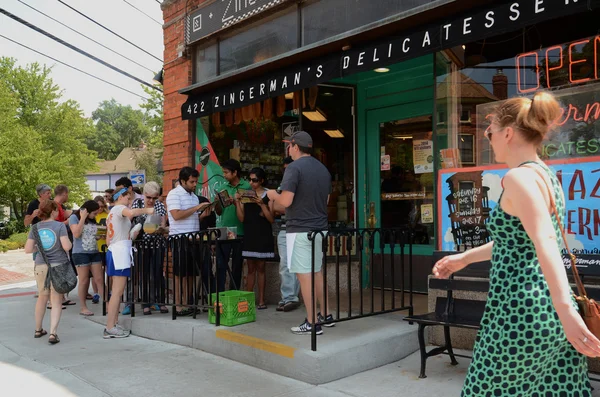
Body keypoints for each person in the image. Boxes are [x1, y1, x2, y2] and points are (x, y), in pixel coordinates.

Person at [433, 92, 600, 396]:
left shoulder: (518, 179)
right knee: (554, 389)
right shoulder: (546, 176)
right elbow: (517, 241)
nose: (489, 138)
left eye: (490, 131)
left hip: (518, 310)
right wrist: (464, 259)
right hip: (544, 309)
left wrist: (568, 312)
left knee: (486, 390)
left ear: (507, 133)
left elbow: (544, 239)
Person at [267, 131, 333, 335]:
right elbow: (327, 200)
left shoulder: (294, 168)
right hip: (320, 228)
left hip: (300, 230)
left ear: (295, 147)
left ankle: (312, 323)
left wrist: (271, 194)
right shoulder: (323, 169)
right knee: (317, 273)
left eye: (289, 145)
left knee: (305, 277)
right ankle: (326, 315)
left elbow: (285, 201)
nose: (288, 149)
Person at [104, 188, 154, 338]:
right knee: (117, 293)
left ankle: (113, 323)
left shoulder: (111, 213)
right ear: (121, 197)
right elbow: (131, 213)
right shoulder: (120, 208)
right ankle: (110, 327)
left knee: (117, 292)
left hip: (115, 250)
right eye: (128, 198)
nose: (129, 201)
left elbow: (108, 240)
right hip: (119, 253)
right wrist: (147, 210)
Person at [24, 200, 72, 344]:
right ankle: (53, 333)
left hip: (40, 265)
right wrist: (68, 242)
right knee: (56, 301)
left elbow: (28, 249)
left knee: (42, 298)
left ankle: (38, 329)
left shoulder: (36, 227)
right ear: (52, 212)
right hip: (58, 266)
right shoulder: (59, 226)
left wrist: (39, 248)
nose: (59, 212)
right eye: (57, 209)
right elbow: (66, 246)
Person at [166, 167, 212, 316]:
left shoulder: (193, 196)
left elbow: (191, 216)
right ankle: (178, 305)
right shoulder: (174, 194)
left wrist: (203, 214)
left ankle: (189, 303)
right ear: (183, 181)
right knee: (180, 274)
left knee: (191, 273)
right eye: (192, 182)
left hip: (194, 238)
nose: (194, 184)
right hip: (179, 239)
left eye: (196, 181)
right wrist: (197, 207)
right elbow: (177, 215)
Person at [235, 167, 275, 310]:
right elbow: (241, 218)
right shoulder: (246, 195)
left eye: (255, 180)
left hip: (263, 234)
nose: (252, 183)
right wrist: (237, 203)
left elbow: (271, 219)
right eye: (250, 179)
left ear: (262, 180)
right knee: (250, 268)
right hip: (250, 233)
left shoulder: (268, 194)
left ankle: (262, 300)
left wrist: (262, 204)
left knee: (261, 267)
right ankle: (248, 299)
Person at [131, 181, 169, 315]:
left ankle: (161, 301)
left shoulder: (160, 205)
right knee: (144, 273)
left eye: (154, 197)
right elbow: (132, 220)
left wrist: (161, 229)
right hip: (142, 244)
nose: (151, 201)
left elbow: (164, 224)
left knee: (158, 273)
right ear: (144, 195)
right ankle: (146, 303)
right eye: (149, 197)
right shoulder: (137, 203)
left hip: (157, 243)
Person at [215, 159, 250, 292]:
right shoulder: (222, 188)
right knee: (220, 264)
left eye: (226, 172)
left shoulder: (246, 186)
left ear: (235, 173)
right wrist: (218, 203)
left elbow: (248, 210)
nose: (224, 175)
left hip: (240, 230)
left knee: (237, 265)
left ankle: (234, 293)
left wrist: (236, 202)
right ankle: (220, 294)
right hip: (225, 229)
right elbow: (218, 212)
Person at [273, 157, 300, 312]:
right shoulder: (282, 186)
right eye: (285, 168)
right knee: (284, 264)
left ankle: (292, 297)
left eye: (289, 167)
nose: (287, 171)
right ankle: (288, 297)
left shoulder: (302, 184)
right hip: (284, 229)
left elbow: (283, 204)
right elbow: (277, 207)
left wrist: (287, 204)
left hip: (300, 228)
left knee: (298, 264)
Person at [69, 200, 102, 316]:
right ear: (87, 211)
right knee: (84, 280)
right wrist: (82, 218)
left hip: (94, 251)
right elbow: (76, 234)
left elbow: (90, 234)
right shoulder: (74, 217)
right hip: (80, 253)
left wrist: (98, 236)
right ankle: (83, 307)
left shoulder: (92, 220)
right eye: (94, 213)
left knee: (99, 279)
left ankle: (107, 304)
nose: (95, 215)